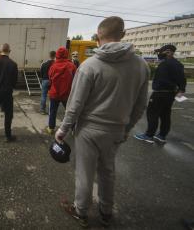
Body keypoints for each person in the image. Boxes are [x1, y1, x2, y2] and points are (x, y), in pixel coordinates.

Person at [54, 16, 149, 228]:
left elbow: (75, 105)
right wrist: (127, 128)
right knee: (108, 172)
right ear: (123, 35)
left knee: (85, 173)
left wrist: (63, 130)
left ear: (98, 36)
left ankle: (81, 212)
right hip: (116, 131)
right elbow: (141, 105)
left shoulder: (90, 66)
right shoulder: (141, 66)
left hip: (89, 130)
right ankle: (106, 212)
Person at [134, 44, 186, 144]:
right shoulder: (178, 64)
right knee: (165, 115)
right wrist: (180, 90)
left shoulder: (165, 64)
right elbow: (182, 79)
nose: (159, 54)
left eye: (160, 52)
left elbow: (161, 80)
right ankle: (162, 135)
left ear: (168, 52)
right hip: (171, 94)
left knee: (152, 114)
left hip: (159, 93)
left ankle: (149, 135)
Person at [46, 47, 76, 134]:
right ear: (66, 54)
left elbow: (50, 80)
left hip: (54, 93)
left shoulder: (53, 67)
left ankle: (51, 128)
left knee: (53, 111)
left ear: (57, 55)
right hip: (67, 94)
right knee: (70, 112)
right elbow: (75, 80)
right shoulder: (72, 66)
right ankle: (73, 128)